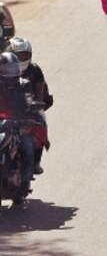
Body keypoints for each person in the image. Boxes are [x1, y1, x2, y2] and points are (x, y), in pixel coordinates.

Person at [5, 37, 51, 175]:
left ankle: (36, 161)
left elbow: (40, 91)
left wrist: (36, 106)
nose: (21, 58)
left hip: (27, 109)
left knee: (41, 120)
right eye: (18, 55)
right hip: (6, 109)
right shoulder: (3, 68)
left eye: (25, 55)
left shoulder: (34, 70)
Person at [0, 52, 39, 205]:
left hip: (18, 124)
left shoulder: (23, 84)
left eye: (13, 68)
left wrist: (30, 113)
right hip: (1, 124)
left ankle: (25, 181)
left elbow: (28, 100)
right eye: (8, 68)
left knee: (27, 148)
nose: (12, 71)